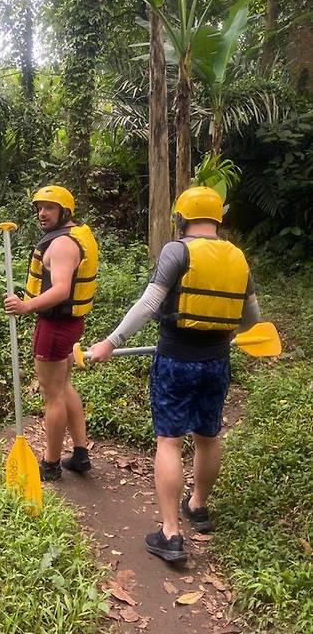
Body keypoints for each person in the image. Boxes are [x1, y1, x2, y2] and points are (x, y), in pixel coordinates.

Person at [85, 186, 260, 562]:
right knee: (208, 436)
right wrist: (224, 333)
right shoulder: (238, 257)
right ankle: (197, 506)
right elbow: (252, 319)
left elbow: (150, 303)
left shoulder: (177, 250)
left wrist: (110, 342)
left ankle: (170, 534)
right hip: (217, 362)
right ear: (217, 219)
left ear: (181, 217)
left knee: (169, 441)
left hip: (176, 359)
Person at [3, 185, 98, 481]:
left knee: (52, 395)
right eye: (39, 208)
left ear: (65, 212)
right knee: (64, 385)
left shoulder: (61, 245)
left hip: (55, 327)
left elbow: (60, 290)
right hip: (68, 324)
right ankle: (80, 454)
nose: (42, 213)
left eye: (50, 208)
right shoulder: (71, 236)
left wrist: (26, 305)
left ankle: (50, 464)